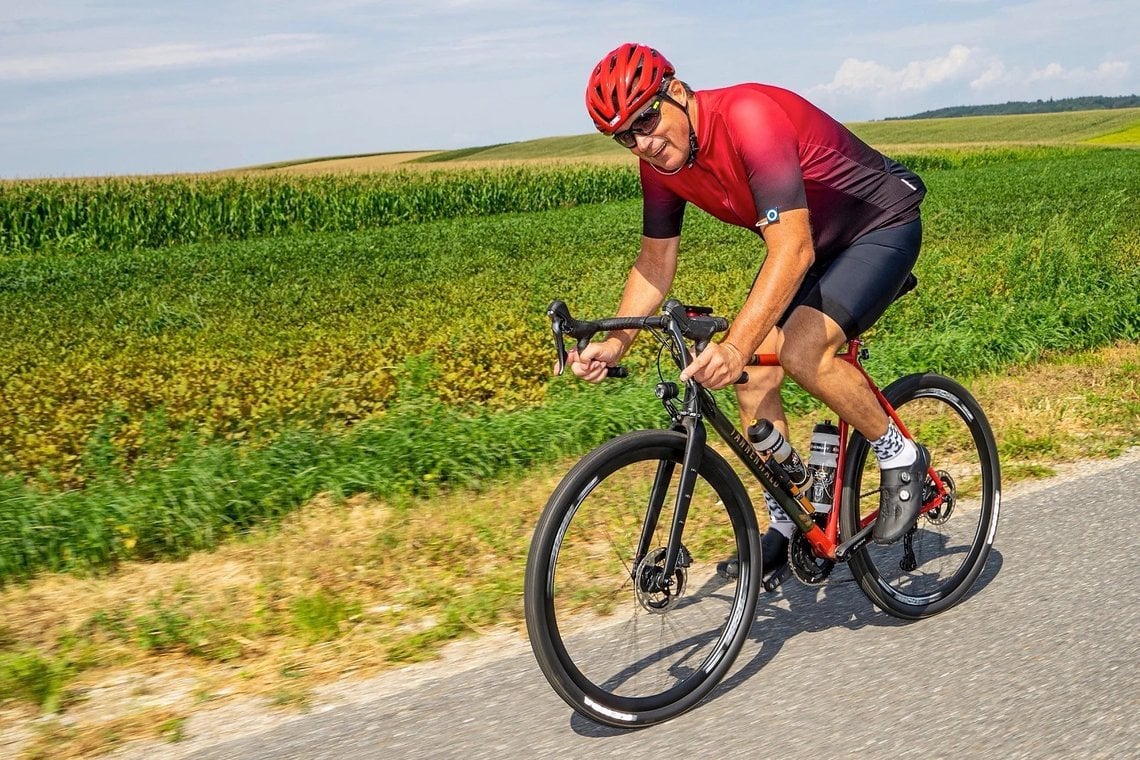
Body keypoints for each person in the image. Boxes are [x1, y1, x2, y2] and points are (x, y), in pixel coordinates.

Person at [570, 42, 930, 579]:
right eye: (626, 136)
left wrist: (737, 343)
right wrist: (616, 340)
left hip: (879, 225)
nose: (643, 142)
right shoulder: (662, 167)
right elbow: (654, 263)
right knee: (752, 379)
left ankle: (901, 454)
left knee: (803, 351)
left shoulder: (747, 119)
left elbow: (792, 250)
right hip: (815, 241)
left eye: (646, 120)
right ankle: (790, 522)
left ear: (676, 92)